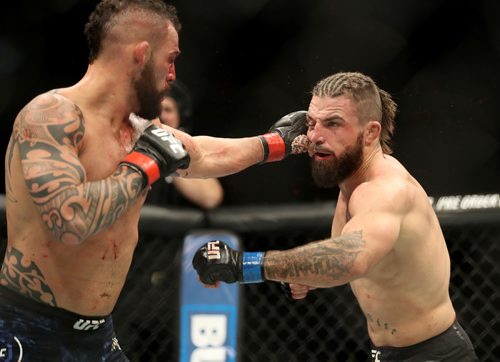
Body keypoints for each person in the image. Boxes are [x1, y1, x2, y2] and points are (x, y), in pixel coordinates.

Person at [0, 0, 308, 360]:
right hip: (30, 331)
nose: (174, 74)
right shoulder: (50, 117)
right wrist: (142, 165)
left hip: (98, 335)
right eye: (171, 58)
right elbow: (70, 220)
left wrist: (276, 144)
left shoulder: (138, 125)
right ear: (142, 55)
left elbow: (203, 154)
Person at [193, 72, 479, 361]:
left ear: (370, 132)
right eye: (311, 123)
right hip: (393, 353)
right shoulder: (350, 183)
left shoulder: (384, 190)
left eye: (333, 124)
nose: (315, 136)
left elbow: (348, 259)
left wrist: (245, 266)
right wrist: (306, 274)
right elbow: (354, 256)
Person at [146, 86, 224, 209]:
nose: (162, 116)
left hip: (171, 225)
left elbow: (211, 198)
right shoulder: (130, 146)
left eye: (168, 110)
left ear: (179, 117)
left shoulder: (190, 150)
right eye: (157, 110)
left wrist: (170, 148)